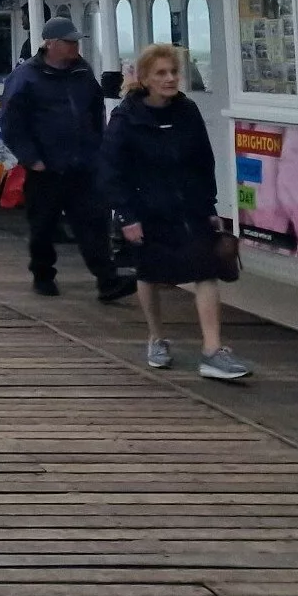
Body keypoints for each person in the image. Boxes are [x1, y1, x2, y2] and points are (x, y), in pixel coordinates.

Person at [100, 44, 249, 382]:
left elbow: (203, 161)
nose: (170, 79)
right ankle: (156, 337)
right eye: (161, 74)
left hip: (190, 208)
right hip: (146, 210)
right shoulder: (126, 118)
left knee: (206, 271)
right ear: (145, 79)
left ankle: (212, 351)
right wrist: (127, 215)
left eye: (173, 73)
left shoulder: (188, 111)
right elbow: (111, 170)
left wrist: (210, 206)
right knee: (149, 274)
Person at [1, 17, 134, 302]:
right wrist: (31, 159)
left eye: (76, 41)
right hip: (45, 167)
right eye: (70, 41)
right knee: (43, 225)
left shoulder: (82, 72)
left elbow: (95, 109)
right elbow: (12, 122)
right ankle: (42, 274)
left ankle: (107, 281)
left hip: (83, 165)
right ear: (51, 44)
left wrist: (98, 149)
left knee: (93, 223)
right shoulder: (25, 77)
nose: (75, 46)